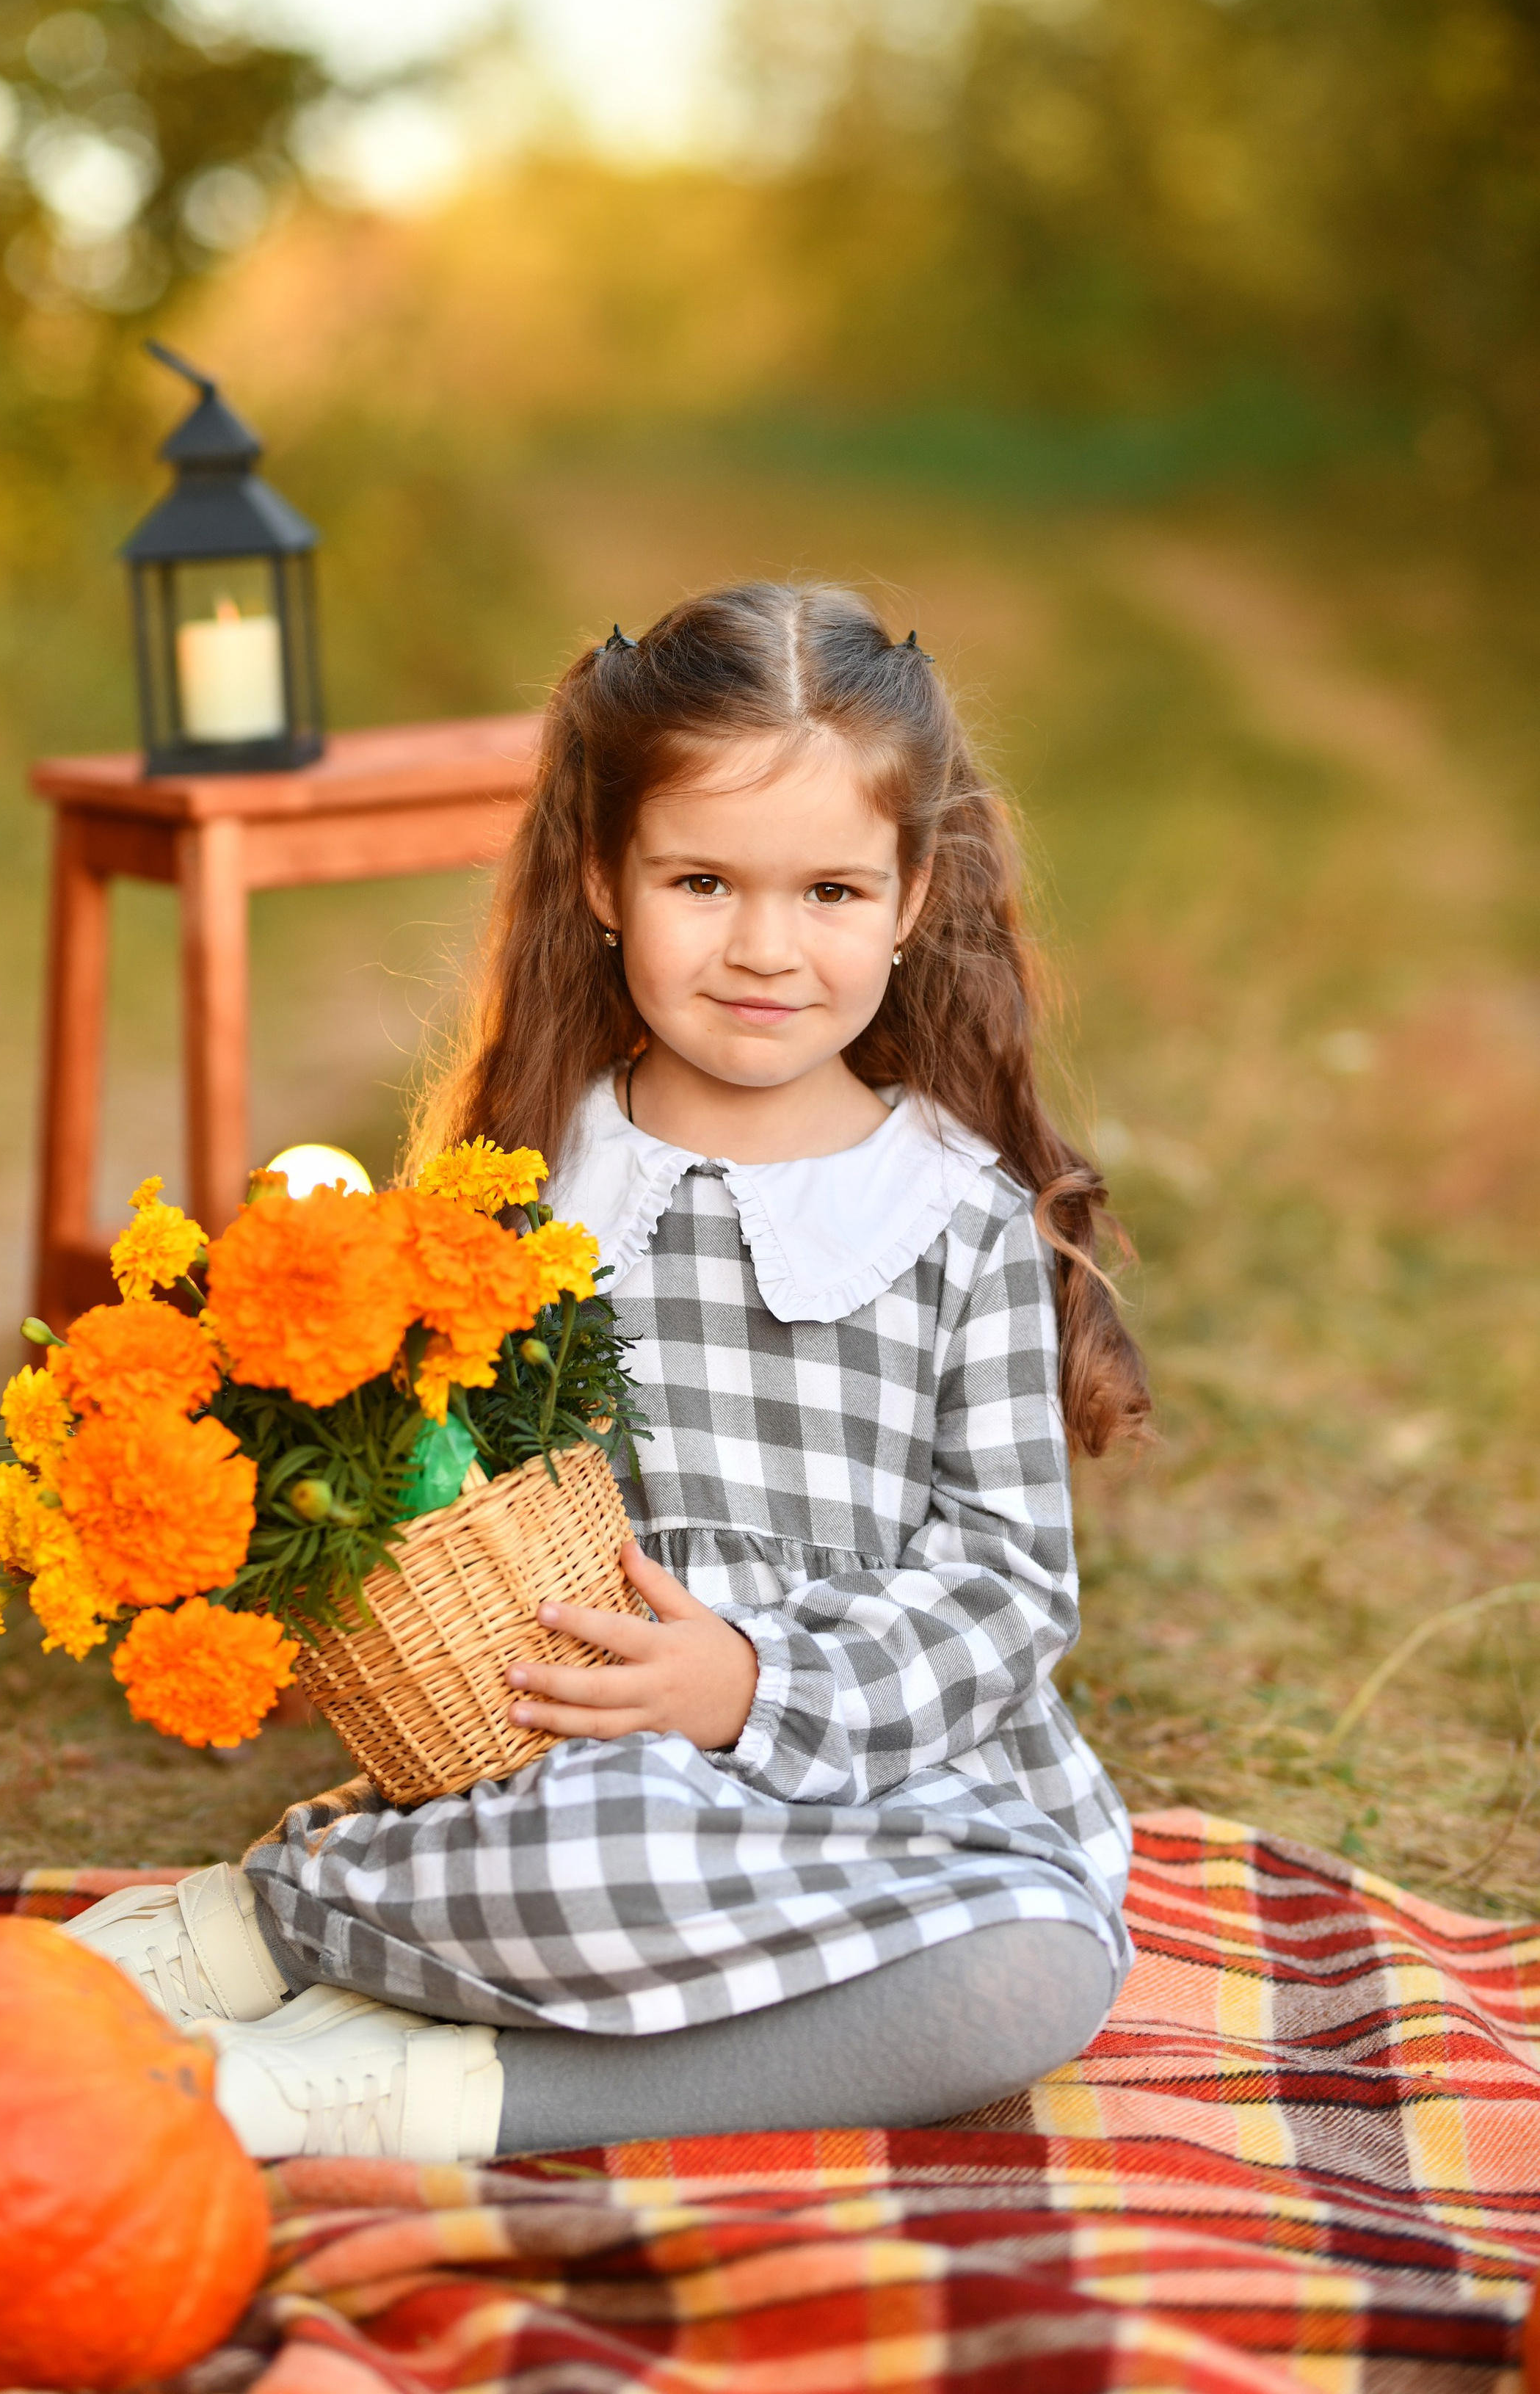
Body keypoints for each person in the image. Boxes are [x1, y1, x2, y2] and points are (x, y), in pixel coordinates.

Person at [64, 582, 1151, 2162]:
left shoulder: (951, 1215)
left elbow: (1005, 1588)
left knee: (1031, 1974)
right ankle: (276, 1929)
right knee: (608, 1850)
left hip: (886, 1785)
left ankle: (400, 2078)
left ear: (914, 895)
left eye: (832, 890)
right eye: (702, 879)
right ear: (600, 876)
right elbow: (431, 1489)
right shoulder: (533, 1185)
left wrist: (756, 1690)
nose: (765, 948)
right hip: (580, 1756)